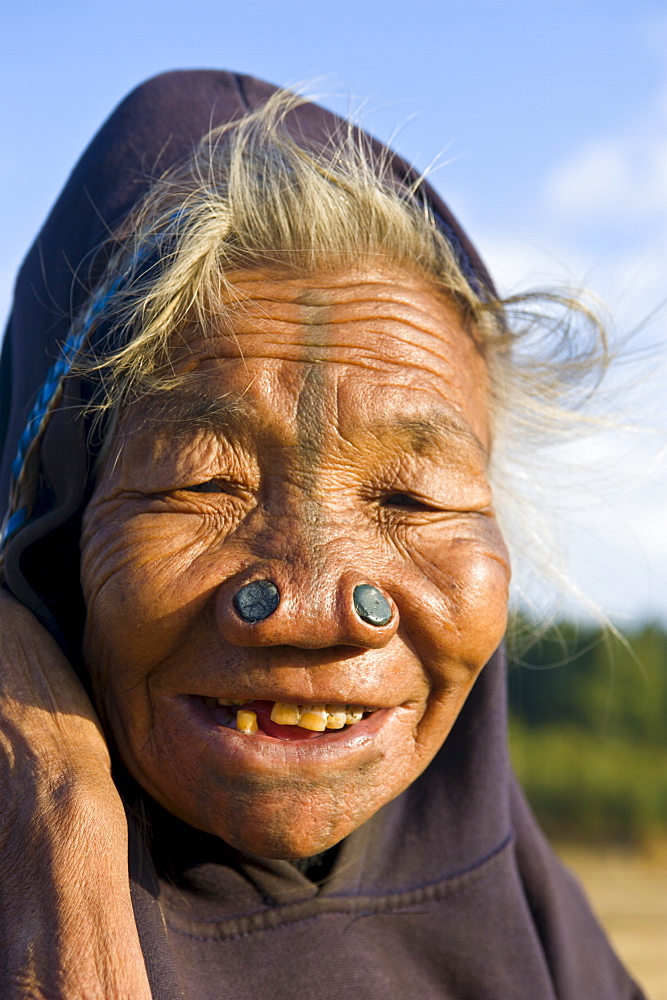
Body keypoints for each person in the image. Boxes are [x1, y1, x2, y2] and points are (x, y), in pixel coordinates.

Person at [0, 70, 644, 999]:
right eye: (203, 478)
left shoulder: (530, 918)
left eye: (414, 499)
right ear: (55, 538)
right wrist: (55, 830)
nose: (315, 612)